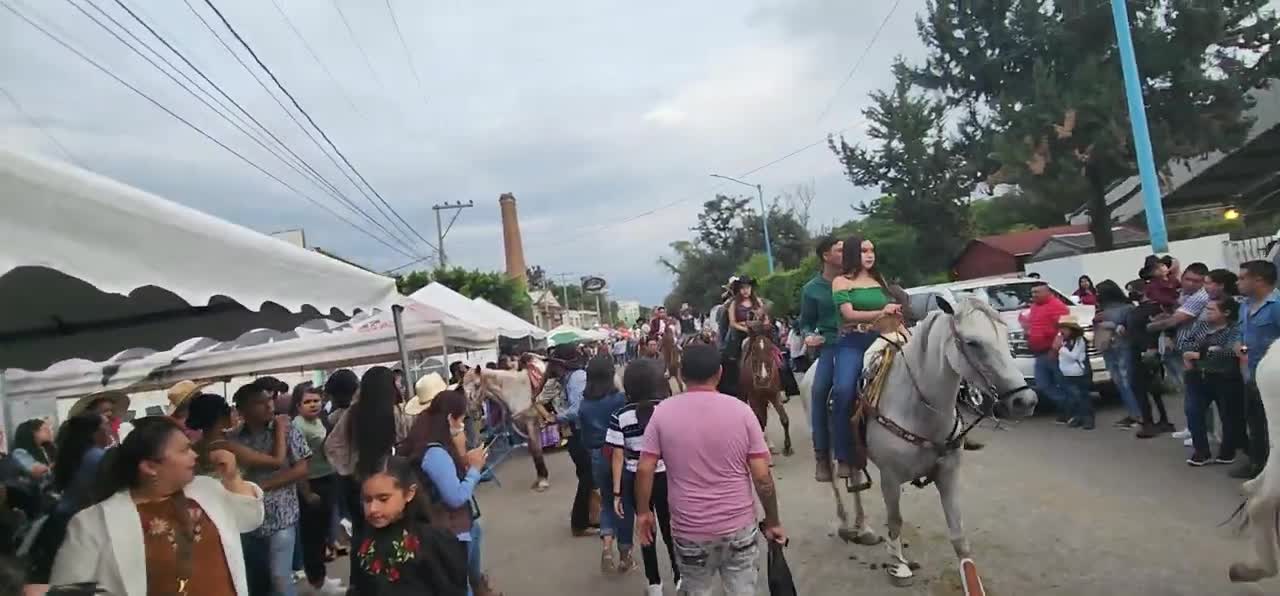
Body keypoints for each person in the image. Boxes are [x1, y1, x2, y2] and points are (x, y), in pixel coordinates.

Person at [50, 416, 264, 596]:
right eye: (184, 450)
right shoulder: (92, 522)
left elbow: (251, 518)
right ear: (150, 467)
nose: (195, 454)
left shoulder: (206, 490)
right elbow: (67, 590)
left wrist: (232, 476)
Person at [634, 344, 785, 596]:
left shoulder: (662, 413)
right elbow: (762, 477)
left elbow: (645, 467)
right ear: (720, 373)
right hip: (739, 529)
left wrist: (642, 512)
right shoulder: (743, 412)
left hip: (689, 531)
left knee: (696, 590)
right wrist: (773, 521)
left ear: (681, 374)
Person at [402, 390, 497, 596]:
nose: (462, 425)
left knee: (475, 538)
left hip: (455, 524)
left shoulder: (422, 437)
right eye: (461, 419)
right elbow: (455, 497)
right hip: (451, 530)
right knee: (460, 585)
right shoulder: (435, 452)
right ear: (449, 418)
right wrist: (475, 468)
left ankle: (479, 586)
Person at [230, 383, 312, 596]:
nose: (269, 406)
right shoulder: (234, 438)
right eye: (260, 403)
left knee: (279, 576)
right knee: (258, 581)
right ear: (242, 410)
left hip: (281, 516)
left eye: (269, 400)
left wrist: (261, 487)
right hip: (248, 521)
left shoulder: (287, 428)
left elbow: (302, 468)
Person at [607, 358, 679, 596]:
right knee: (671, 530)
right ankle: (680, 578)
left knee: (646, 530)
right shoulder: (667, 409)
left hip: (635, 480)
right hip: (665, 477)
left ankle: (654, 585)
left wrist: (617, 492)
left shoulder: (619, 416)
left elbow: (617, 456)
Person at [830, 235, 897, 490]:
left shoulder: (878, 280)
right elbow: (848, 314)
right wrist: (882, 311)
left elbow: (889, 311)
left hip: (884, 336)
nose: (870, 255)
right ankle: (844, 456)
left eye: (872, 250)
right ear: (850, 254)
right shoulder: (841, 281)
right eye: (863, 251)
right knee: (844, 390)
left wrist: (894, 314)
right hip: (853, 341)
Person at [325, 367, 416, 553]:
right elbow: (406, 436)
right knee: (391, 530)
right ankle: (389, 571)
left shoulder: (352, 413)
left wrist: (348, 468)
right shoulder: (396, 412)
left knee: (362, 534)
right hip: (388, 479)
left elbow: (331, 446)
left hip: (358, 482)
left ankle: (362, 576)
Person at [351, 456, 469, 596]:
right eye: (367, 500)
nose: (373, 509)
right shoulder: (363, 544)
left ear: (409, 493)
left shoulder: (434, 540)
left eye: (383, 499)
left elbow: (453, 588)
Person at [575, 357, 631, 574]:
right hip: (620, 455)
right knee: (623, 504)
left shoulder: (584, 404)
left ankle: (607, 548)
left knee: (607, 503)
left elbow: (585, 440)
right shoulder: (620, 399)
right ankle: (625, 556)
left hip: (597, 456)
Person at [798, 237, 843, 483]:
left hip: (866, 341)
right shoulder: (811, 289)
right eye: (840, 250)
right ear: (826, 255)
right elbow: (805, 322)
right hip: (832, 347)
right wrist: (808, 335)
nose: (846, 254)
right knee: (816, 389)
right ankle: (822, 455)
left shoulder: (856, 281)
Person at [1181, 296, 1246, 466]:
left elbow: (1231, 352)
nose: (1206, 313)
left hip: (1225, 377)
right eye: (1206, 309)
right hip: (1198, 376)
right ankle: (1201, 452)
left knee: (1228, 416)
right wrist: (1192, 353)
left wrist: (1199, 354)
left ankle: (1227, 451)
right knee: (1193, 412)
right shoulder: (1201, 326)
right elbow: (1185, 342)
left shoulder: (1234, 329)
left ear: (1226, 312)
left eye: (1211, 310)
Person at [291, 384, 343, 594]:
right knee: (312, 536)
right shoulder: (298, 427)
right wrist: (307, 492)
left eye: (316, 400)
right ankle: (318, 582)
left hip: (327, 479)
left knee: (321, 534)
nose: (313, 405)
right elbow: (298, 463)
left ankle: (321, 578)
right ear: (298, 405)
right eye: (307, 402)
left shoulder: (319, 422)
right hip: (312, 484)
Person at [1232, 260, 1280, 479]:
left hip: (1273, 380)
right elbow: (1241, 337)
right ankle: (1258, 465)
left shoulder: (1276, 306)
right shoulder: (1244, 305)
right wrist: (1240, 348)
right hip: (1250, 376)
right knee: (1256, 423)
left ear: (1258, 280)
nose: (1237, 282)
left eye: (1242, 278)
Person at [547, 343, 596, 536]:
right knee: (587, 477)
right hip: (579, 433)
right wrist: (556, 418)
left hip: (579, 432)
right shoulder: (572, 378)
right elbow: (576, 410)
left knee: (587, 476)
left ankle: (588, 518)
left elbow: (576, 409)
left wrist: (556, 418)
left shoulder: (575, 379)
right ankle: (580, 522)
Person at [1093, 280, 1142, 428]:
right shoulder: (1102, 309)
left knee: (1125, 381)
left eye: (1098, 292)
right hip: (1109, 348)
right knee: (1119, 382)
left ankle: (1137, 414)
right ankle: (1133, 413)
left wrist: (1108, 324)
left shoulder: (1127, 308)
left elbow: (1130, 328)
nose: (1096, 295)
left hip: (1122, 348)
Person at [1019, 282, 1070, 423]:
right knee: (1043, 384)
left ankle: (1070, 409)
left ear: (1048, 292)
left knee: (1063, 382)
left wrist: (1055, 348)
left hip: (1054, 352)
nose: (1034, 295)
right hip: (1039, 352)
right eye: (1033, 292)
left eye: (1037, 292)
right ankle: (1066, 405)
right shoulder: (1034, 307)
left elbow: (1064, 330)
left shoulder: (1058, 307)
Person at [7, 419, 55, 518]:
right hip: (34, 502)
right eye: (44, 429)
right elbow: (36, 471)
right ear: (33, 433)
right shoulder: (19, 453)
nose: (50, 431)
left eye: (50, 428)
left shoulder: (45, 449)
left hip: (49, 496)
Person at [1057, 317, 1094, 429]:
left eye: (1065, 328)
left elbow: (1075, 356)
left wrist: (1061, 349)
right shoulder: (1063, 340)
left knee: (1083, 396)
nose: (1062, 331)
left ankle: (1088, 419)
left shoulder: (1080, 341)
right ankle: (1078, 417)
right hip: (1066, 373)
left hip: (1079, 373)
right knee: (1073, 397)